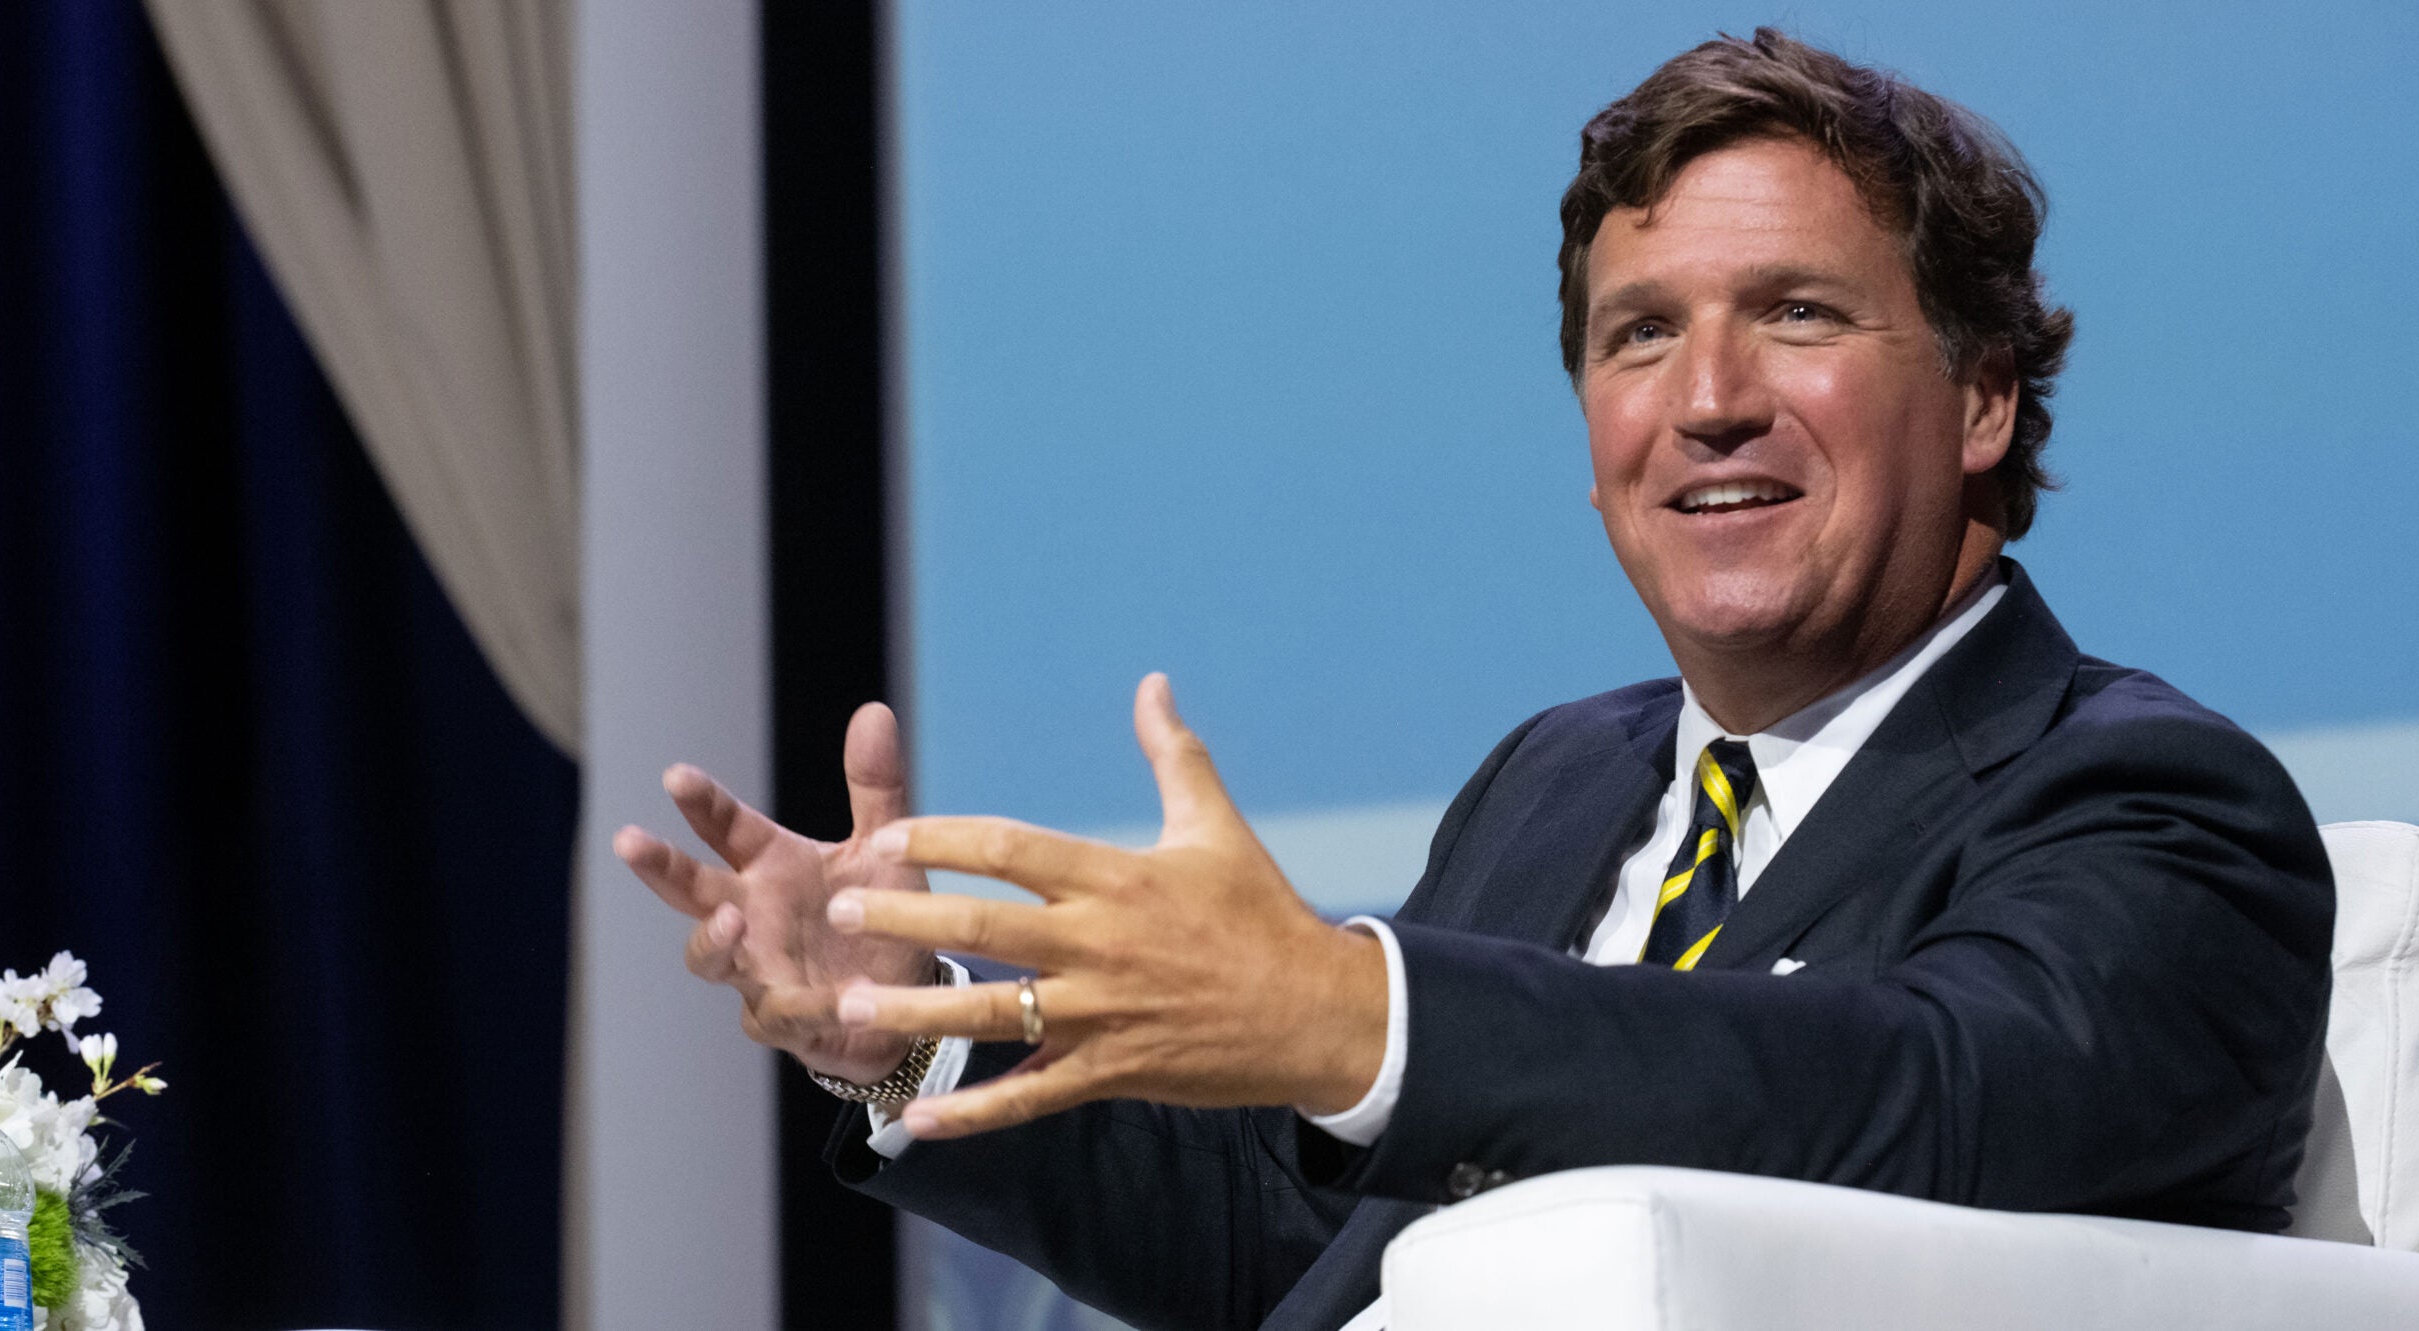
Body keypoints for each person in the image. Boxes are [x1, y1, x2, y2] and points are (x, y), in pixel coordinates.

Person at [616, 29, 2332, 1331]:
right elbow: (1293, 1250)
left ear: (1984, 399)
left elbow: (1930, 1102)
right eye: (1639, 334)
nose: (1707, 400)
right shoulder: (1562, 779)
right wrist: (915, 1034)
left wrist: (1368, 1018)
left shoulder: (2153, 803)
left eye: (1798, 314)